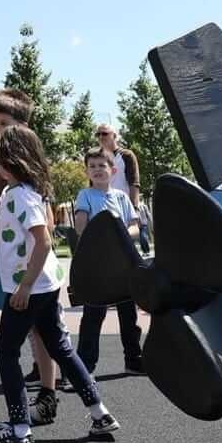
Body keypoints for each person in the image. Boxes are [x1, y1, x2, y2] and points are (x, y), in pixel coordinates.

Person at [0, 125, 119, 443]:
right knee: (61, 347)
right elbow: (0, 233)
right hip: (42, 285)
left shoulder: (21, 196)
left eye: (1, 160)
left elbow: (43, 240)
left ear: (13, 161)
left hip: (28, 288)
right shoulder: (17, 193)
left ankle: (19, 430)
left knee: (6, 351)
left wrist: (25, 286)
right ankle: (99, 414)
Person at [0, 88, 63, 424]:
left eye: (3, 123)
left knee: (36, 328)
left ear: (22, 128)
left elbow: (44, 219)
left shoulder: (31, 164)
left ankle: (47, 393)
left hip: (26, 259)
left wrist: (38, 248)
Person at [74, 151, 145, 375]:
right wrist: (99, 239)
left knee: (128, 315)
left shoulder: (122, 197)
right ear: (87, 171)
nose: (97, 169)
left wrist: (120, 234)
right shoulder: (85, 195)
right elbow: (80, 226)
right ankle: (83, 367)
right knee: (93, 316)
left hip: (123, 265)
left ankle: (133, 359)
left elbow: (134, 226)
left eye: (101, 165)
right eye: (92, 166)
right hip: (98, 266)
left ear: (112, 171)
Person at [92, 124, 142, 206]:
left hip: (125, 207)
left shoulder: (126, 155)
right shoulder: (95, 159)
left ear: (114, 136)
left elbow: (134, 184)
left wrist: (134, 208)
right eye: (98, 134)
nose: (100, 137)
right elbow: (93, 186)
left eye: (104, 134)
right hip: (103, 208)